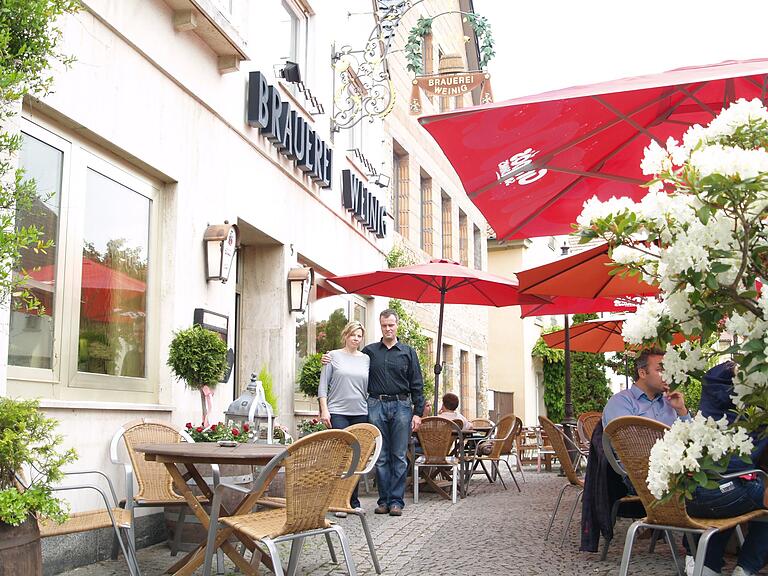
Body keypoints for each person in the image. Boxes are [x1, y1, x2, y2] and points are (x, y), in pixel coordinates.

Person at [325, 309, 424, 516]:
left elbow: (417, 384)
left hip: (402, 406)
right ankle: (383, 500)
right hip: (375, 405)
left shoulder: (408, 352)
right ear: (380, 326)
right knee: (380, 456)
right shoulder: (370, 352)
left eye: (391, 325)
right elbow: (349, 359)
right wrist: (328, 359)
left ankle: (396, 501)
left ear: (397, 326)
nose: (388, 329)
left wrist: (418, 412)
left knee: (398, 455)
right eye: (384, 325)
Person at [685, 361, 768, 576]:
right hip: (727, 496)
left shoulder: (709, 396)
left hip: (689, 497)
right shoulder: (758, 408)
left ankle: (707, 566)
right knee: (741, 490)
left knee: (728, 487)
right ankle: (747, 567)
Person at [317, 320, 369, 510]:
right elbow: (323, 386)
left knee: (356, 457)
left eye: (359, 336)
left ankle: (352, 501)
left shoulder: (366, 359)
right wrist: (324, 409)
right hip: (338, 412)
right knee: (340, 456)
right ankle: (337, 501)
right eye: (353, 334)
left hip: (361, 412)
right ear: (345, 335)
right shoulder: (332, 356)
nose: (356, 338)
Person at [602, 348, 690, 428]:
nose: (668, 375)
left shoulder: (669, 402)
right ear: (642, 373)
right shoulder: (621, 402)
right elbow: (627, 442)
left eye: (668, 371)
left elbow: (691, 439)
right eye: (660, 370)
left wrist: (681, 409)